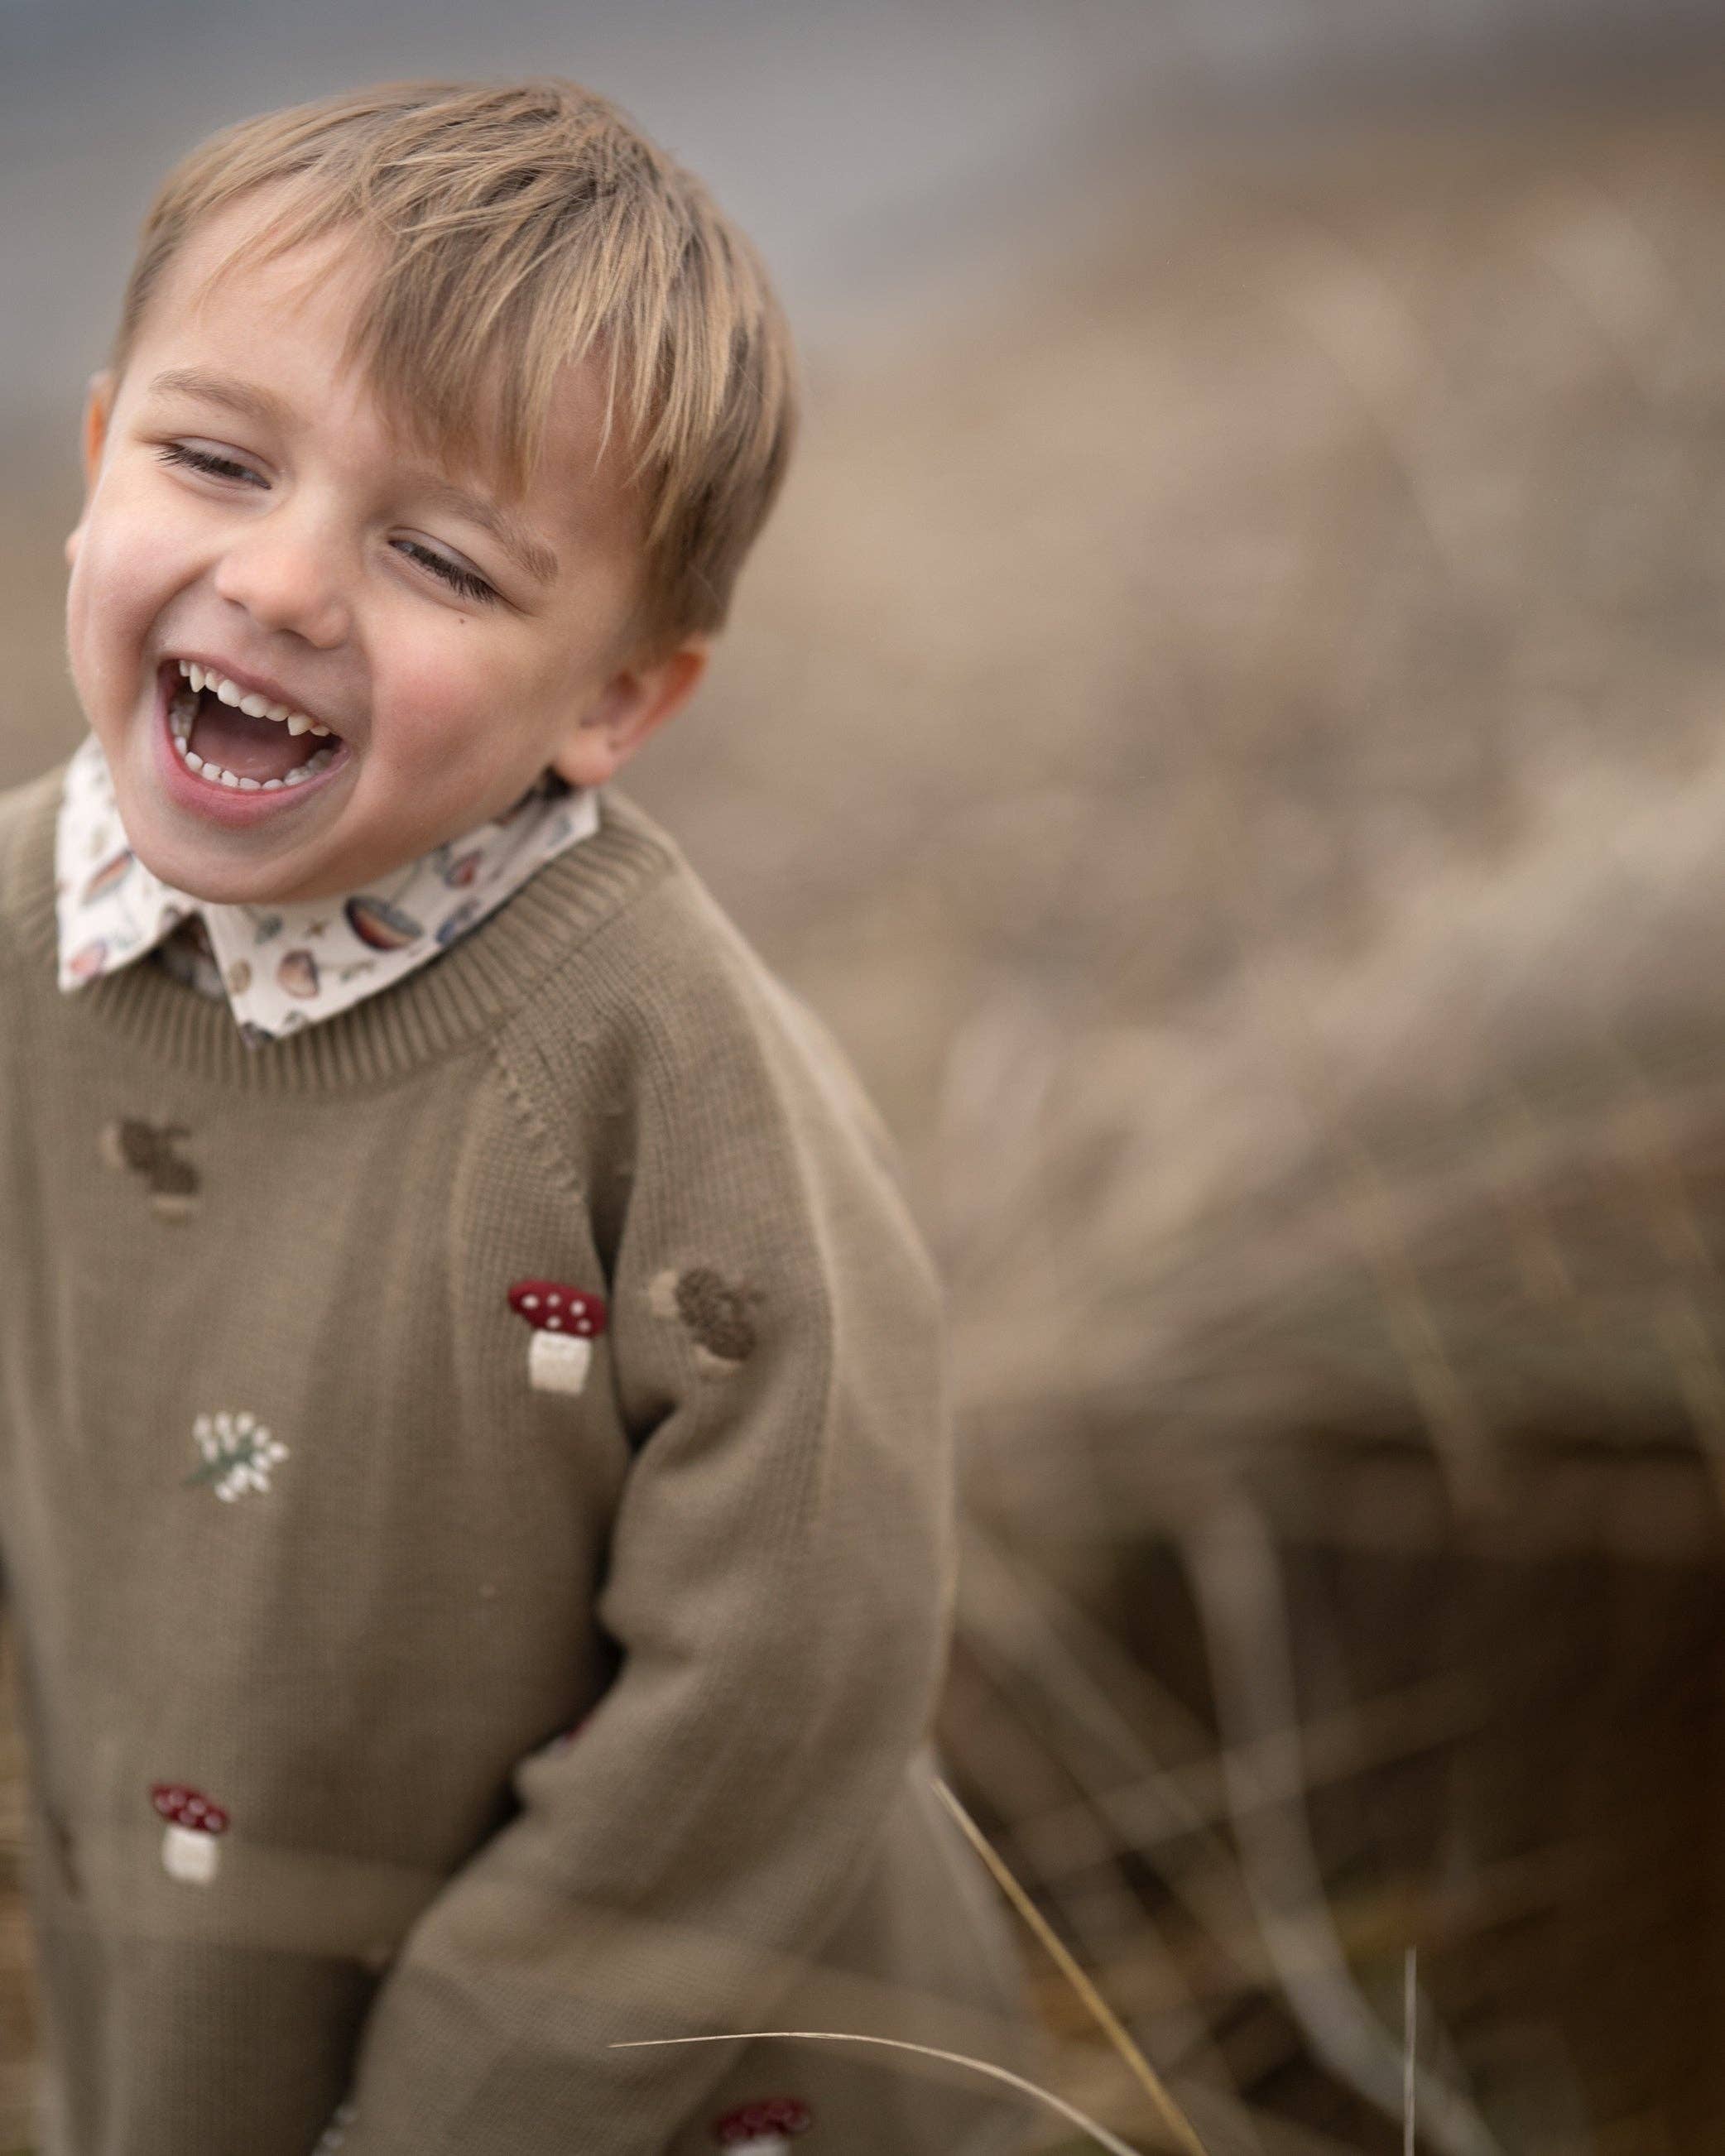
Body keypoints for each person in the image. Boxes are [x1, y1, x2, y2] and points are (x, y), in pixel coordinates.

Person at [0, 79, 1042, 2156]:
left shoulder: (655, 1059)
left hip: (672, 2074)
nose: (284, 584)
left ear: (615, 702)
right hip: (201, 1978)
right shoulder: (13, 932)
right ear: (102, 454)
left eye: (442, 559)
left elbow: (790, 1663)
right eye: (217, 460)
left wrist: (479, 2102)